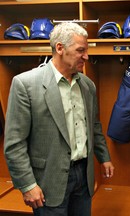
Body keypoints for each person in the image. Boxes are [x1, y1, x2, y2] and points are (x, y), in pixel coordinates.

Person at [4, 22, 114, 216]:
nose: (86, 57)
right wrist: (27, 184)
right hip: (48, 181)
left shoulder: (87, 85)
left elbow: (94, 126)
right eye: (81, 50)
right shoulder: (25, 84)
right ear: (60, 48)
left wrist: (104, 157)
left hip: (83, 176)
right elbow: (14, 144)